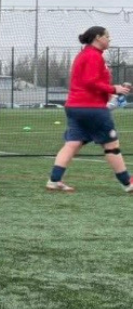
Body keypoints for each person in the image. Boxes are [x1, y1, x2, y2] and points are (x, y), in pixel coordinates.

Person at [46, 26, 133, 193]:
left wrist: (112, 89)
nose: (109, 39)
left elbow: (89, 81)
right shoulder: (93, 56)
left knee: (72, 144)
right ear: (97, 37)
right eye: (107, 36)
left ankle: (54, 180)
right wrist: (114, 89)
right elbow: (90, 82)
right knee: (111, 145)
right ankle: (127, 183)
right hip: (91, 108)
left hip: (74, 107)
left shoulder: (85, 54)